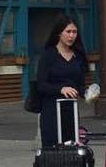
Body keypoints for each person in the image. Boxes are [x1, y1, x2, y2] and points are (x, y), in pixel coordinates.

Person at [33, 16, 88, 148]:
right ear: (59, 33)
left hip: (70, 109)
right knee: (52, 149)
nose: (71, 36)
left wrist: (86, 93)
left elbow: (80, 84)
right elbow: (41, 84)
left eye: (74, 32)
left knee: (70, 147)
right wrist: (61, 89)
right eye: (68, 32)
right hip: (51, 108)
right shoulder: (48, 55)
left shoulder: (78, 56)